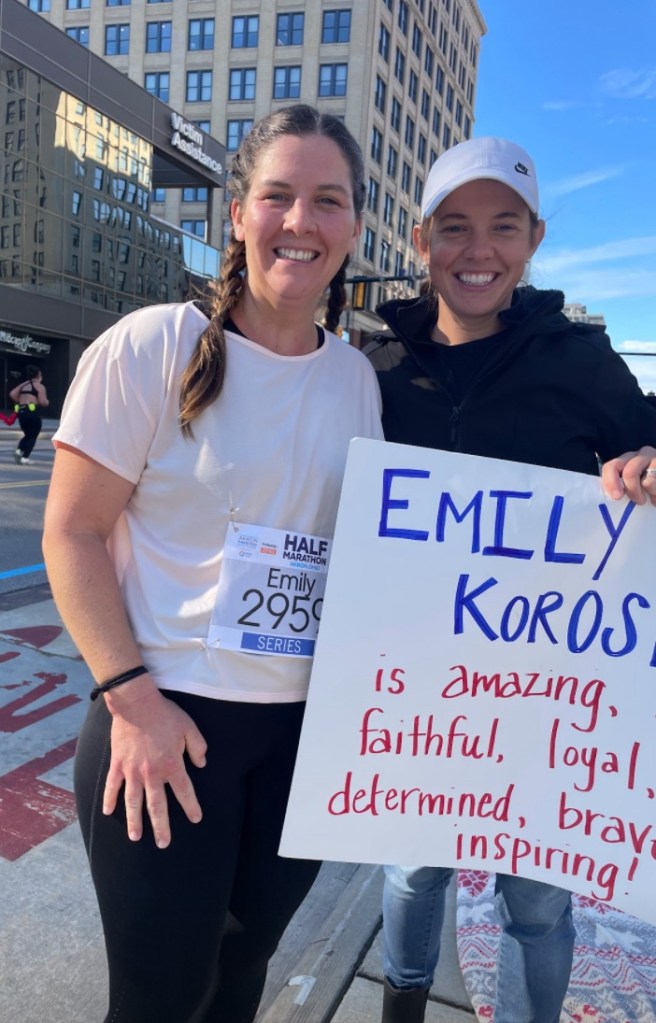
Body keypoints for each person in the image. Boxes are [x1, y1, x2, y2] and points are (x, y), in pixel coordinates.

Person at [42, 104, 383, 1023]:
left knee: (239, 984)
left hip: (298, 742)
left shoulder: (357, 380)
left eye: (328, 200)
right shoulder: (151, 345)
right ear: (237, 213)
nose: (301, 221)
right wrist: (133, 701)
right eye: (278, 196)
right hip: (164, 726)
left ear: (355, 225)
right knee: (160, 1002)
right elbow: (70, 534)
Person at [365, 136, 656, 1023]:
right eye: (455, 226)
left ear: (533, 239)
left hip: (546, 691)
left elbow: (648, 445)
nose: (478, 249)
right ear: (422, 241)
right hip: (414, 686)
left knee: (534, 898)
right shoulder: (377, 365)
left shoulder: (581, 359)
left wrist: (647, 464)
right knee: (412, 868)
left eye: (503, 225)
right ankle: (403, 1003)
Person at [9, 364, 49, 464]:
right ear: (38, 375)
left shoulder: (23, 385)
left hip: (21, 412)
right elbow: (43, 402)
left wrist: (20, 400)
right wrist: (47, 402)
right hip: (32, 412)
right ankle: (25, 457)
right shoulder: (40, 386)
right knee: (33, 435)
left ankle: (19, 451)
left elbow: (12, 394)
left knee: (28, 434)